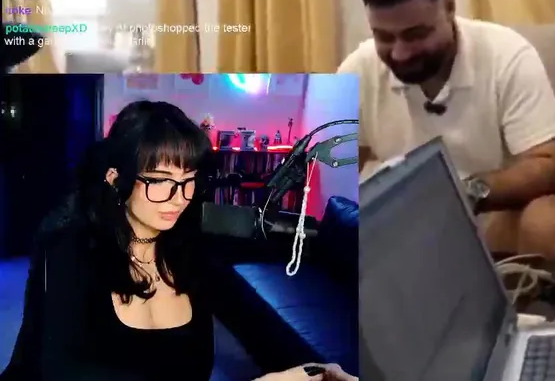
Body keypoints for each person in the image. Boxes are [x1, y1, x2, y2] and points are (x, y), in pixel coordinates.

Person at [0, 100, 355, 381]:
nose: (179, 198)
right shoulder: (68, 252)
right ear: (115, 178)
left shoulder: (190, 253)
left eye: (188, 180)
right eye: (160, 180)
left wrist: (307, 373)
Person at [341, 0, 555, 265]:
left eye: (415, 35)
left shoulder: (507, 54)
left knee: (553, 225)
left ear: (449, 8)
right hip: (403, 222)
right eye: (384, 37)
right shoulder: (358, 68)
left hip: (493, 210)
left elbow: (551, 164)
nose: (400, 54)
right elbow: (322, 178)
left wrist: (466, 192)